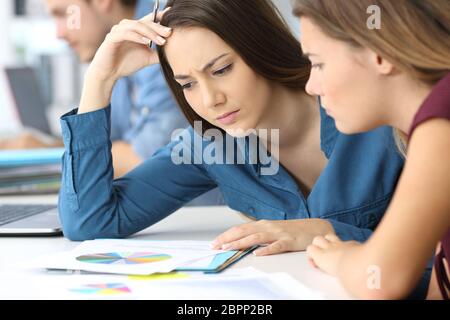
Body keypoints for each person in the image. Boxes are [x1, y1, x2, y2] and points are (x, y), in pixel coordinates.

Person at [58, 0, 414, 294]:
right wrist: (99, 80)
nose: (211, 100)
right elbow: (90, 222)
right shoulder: (210, 145)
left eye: (222, 69)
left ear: (260, 47)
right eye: (187, 83)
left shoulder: (375, 113)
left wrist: (326, 232)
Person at [291, 0, 450, 299]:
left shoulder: (442, 119)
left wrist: (343, 257)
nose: (311, 86)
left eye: (318, 63)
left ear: (380, 53)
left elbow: (379, 281)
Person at [1, 0, 187, 179]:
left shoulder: (164, 35)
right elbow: (102, 143)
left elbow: (146, 159)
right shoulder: (118, 48)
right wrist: (47, 148)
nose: (58, 33)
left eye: (64, 14)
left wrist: (50, 154)